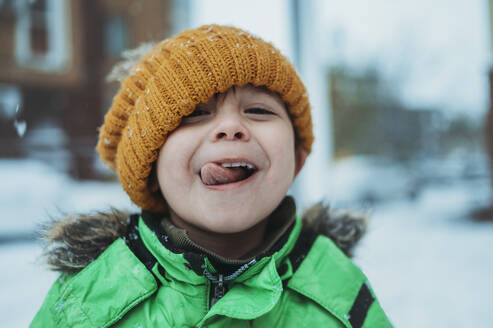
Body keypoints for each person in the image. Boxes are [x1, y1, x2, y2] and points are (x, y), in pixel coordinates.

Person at [31, 24, 392, 327]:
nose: (231, 127)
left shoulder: (337, 288)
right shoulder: (87, 300)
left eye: (258, 110)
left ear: (296, 158)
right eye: (195, 113)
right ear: (151, 169)